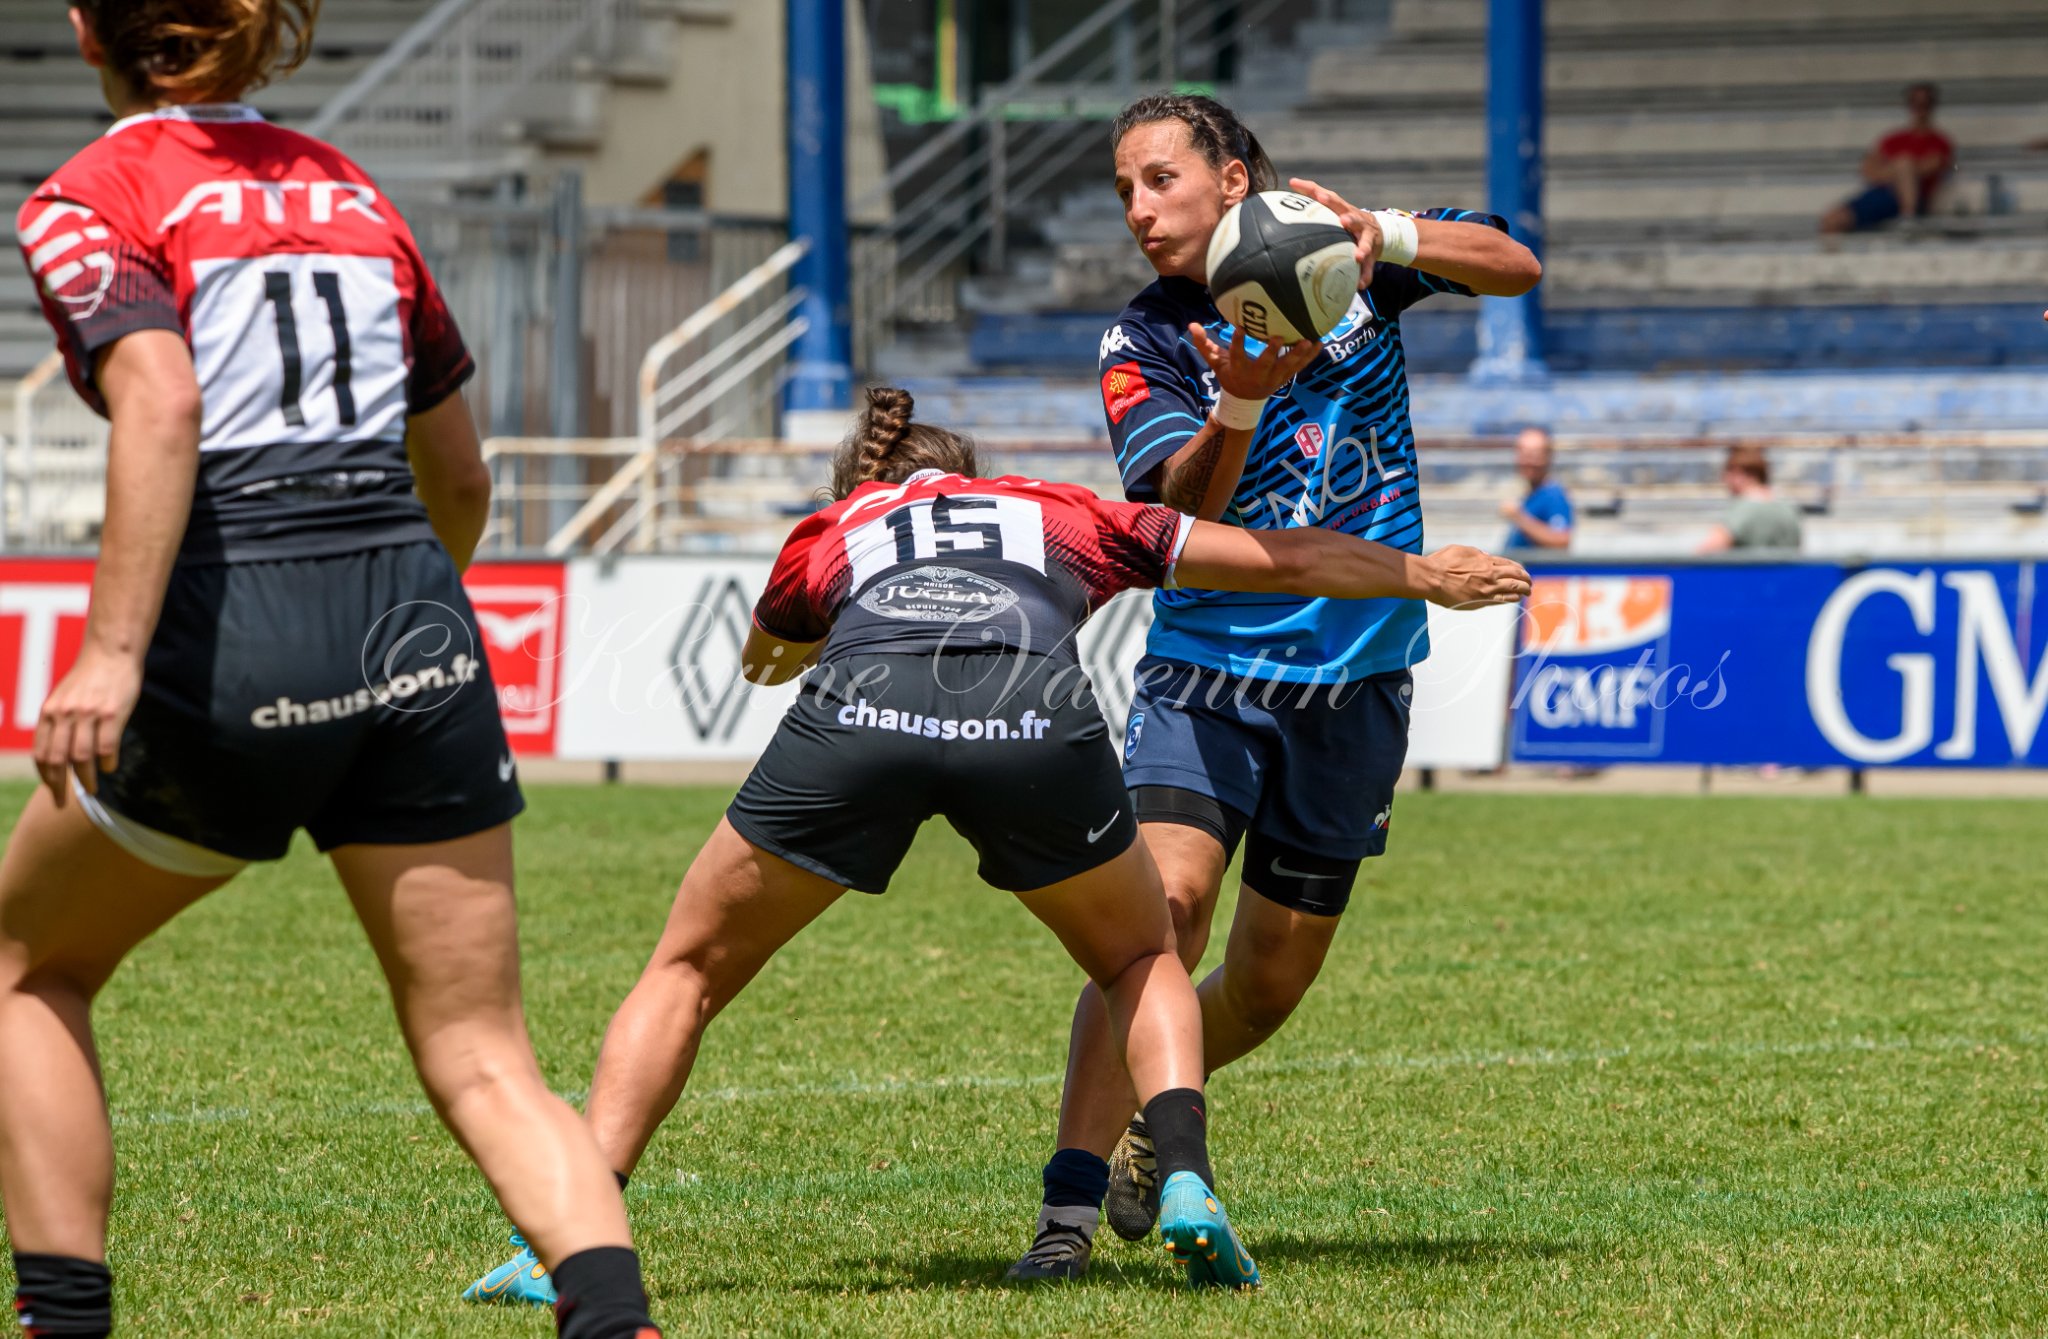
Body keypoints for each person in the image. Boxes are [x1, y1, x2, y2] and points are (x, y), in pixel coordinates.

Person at [462, 387, 1531, 1299]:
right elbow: (1273, 556)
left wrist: (812, 632)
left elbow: (767, 652)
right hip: (1030, 705)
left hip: (861, 708)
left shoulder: (834, 526)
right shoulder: (1056, 511)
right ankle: (1188, 1181)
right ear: (972, 470)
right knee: (1138, 954)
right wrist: (1421, 574)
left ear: (863, 481)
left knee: (686, 969)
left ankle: (560, 1243)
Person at [1, 6, 660, 1336]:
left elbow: (165, 403)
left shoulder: (92, 194)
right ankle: (615, 1314)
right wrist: (413, 626)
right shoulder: (352, 190)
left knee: (27, 964)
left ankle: (62, 1317)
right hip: (414, 615)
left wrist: (111, 653)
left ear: (87, 33)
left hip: (240, 611)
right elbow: (461, 473)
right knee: (484, 1049)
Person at [1010, 92, 1543, 1278]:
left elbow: (1515, 262)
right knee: (1163, 916)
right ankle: (1066, 1206)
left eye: (1158, 180)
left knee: (1265, 981)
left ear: (1233, 178)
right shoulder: (1142, 336)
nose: (1139, 212)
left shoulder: (1344, 258)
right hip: (1207, 672)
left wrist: (1386, 240)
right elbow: (1176, 510)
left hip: (1355, 684)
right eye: (1123, 193)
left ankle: (1162, 1107)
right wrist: (1242, 389)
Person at [1820, 82, 1954, 234]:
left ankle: (1908, 217)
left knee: (1904, 163)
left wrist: (1895, 169)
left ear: (1932, 106)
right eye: (1915, 103)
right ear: (1909, 105)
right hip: (1882, 194)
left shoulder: (1940, 141)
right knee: (1830, 219)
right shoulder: (1893, 138)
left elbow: (1930, 167)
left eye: (1925, 104)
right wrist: (1900, 172)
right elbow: (1867, 169)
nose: (1920, 109)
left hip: (1913, 200)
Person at [1697, 444, 1802, 552]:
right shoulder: (1788, 508)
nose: (1724, 480)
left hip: (1750, 569)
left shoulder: (1742, 509)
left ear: (1738, 472)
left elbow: (1707, 551)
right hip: (1783, 569)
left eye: (1727, 473)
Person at [1500, 425, 1573, 551]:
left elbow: (1562, 540)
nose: (1528, 461)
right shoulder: (1532, 495)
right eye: (1523, 453)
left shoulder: (1553, 496)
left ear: (1548, 457)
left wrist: (1519, 517)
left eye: (1534, 455)